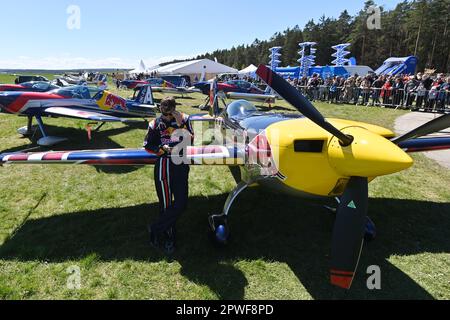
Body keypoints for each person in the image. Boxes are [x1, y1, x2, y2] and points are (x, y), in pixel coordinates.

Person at [144, 97, 194, 254]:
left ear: (174, 108)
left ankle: (155, 228)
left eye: (169, 111)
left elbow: (191, 141)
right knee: (165, 204)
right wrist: (162, 148)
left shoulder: (185, 119)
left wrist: (180, 125)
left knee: (181, 202)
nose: (167, 116)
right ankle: (169, 238)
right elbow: (148, 145)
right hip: (163, 165)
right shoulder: (154, 124)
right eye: (164, 111)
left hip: (180, 163)